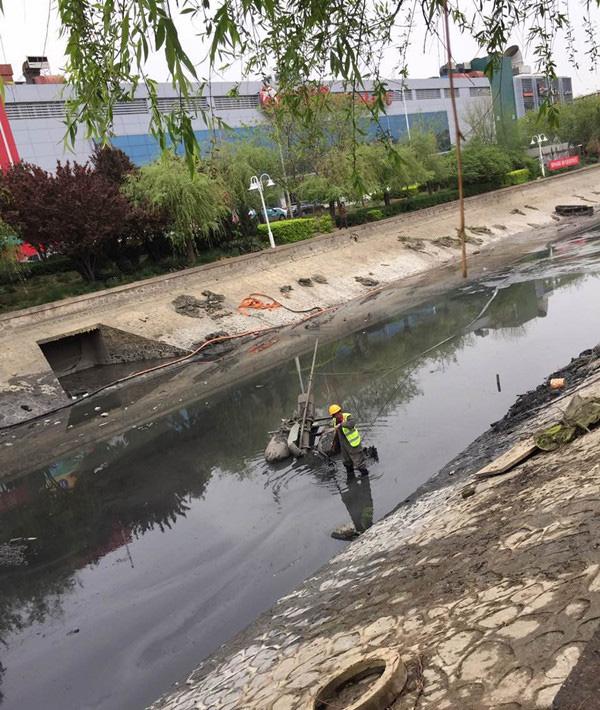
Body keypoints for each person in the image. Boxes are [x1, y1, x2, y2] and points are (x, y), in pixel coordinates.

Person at [328, 404, 369, 476]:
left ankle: (365, 477)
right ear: (333, 416)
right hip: (344, 446)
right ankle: (350, 477)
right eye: (335, 415)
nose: (337, 415)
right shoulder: (335, 421)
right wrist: (334, 444)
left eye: (338, 413)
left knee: (359, 463)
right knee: (347, 462)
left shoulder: (348, 416)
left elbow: (352, 424)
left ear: (340, 411)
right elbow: (337, 433)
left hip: (353, 444)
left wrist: (341, 424)